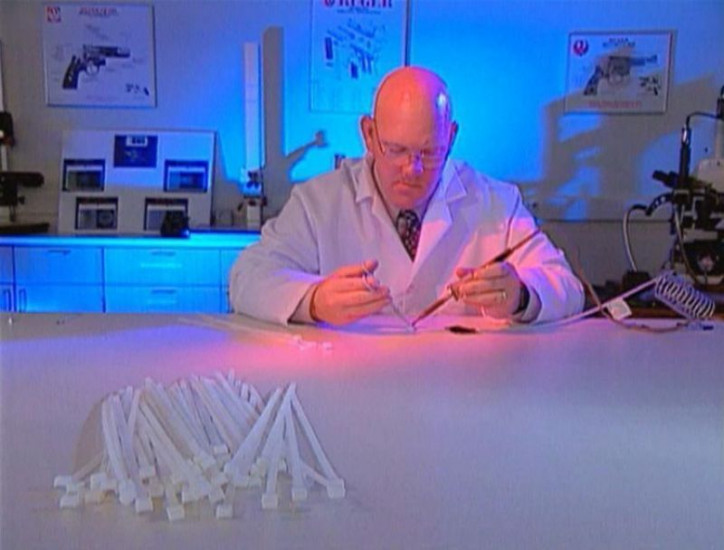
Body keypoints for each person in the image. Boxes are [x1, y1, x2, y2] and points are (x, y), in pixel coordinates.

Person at [229, 66, 584, 326]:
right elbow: (247, 277)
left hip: (464, 390)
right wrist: (314, 300)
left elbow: (568, 287)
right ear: (369, 135)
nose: (412, 169)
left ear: (451, 137)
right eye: (396, 150)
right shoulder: (319, 202)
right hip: (350, 386)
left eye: (429, 152)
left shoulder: (497, 203)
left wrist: (521, 295)